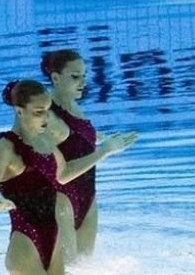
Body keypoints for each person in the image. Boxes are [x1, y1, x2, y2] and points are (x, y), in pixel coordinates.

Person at [0, 79, 136, 275]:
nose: (46, 117)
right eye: (39, 112)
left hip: (52, 242)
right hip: (25, 247)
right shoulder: (2, 150)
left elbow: (64, 173)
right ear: (19, 111)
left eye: (48, 110)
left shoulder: (46, 141)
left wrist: (106, 150)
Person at [41, 49, 135, 261]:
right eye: (75, 77)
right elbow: (61, 174)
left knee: (83, 272)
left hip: (87, 197)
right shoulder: (47, 116)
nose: (83, 82)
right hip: (61, 200)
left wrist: (96, 137)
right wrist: (106, 150)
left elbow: (73, 137)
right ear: (55, 78)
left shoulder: (73, 104)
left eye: (84, 75)